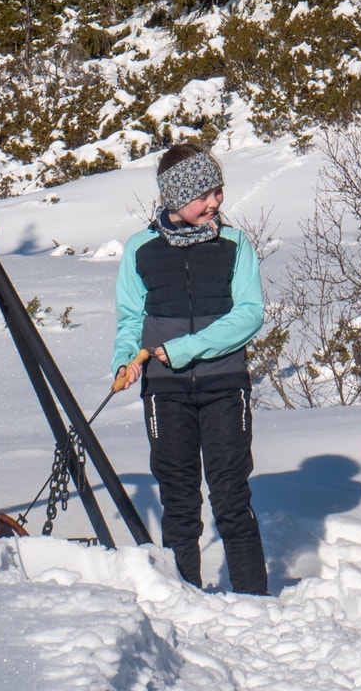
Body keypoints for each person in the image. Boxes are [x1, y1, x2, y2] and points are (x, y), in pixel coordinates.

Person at [112, 142, 269, 594]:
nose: (217, 202)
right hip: (165, 391)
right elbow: (129, 318)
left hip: (225, 386)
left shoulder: (234, 243)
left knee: (231, 499)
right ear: (177, 196)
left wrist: (185, 349)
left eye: (219, 191)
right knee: (178, 501)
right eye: (207, 193)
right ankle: (186, 597)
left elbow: (249, 314)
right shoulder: (140, 249)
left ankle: (253, 600)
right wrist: (125, 359)